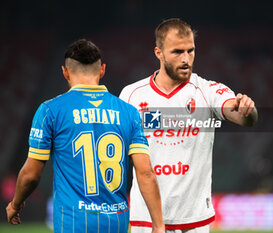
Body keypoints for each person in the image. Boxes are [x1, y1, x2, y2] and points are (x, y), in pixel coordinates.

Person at [6, 39, 165, 233]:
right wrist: (158, 225)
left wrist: (15, 204)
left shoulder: (50, 111)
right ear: (102, 70)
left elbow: (31, 175)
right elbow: (146, 172)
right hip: (116, 223)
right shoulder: (129, 112)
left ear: (65, 72)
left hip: (74, 222)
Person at [119, 18, 258, 232]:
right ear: (159, 53)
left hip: (194, 221)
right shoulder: (131, 95)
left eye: (190, 51)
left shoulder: (208, 90)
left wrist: (246, 110)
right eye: (177, 52)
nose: (186, 59)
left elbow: (241, 116)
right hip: (145, 220)